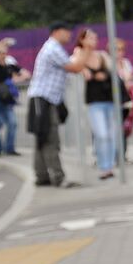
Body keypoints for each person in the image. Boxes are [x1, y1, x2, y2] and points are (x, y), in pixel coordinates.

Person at [28, 23, 89, 188]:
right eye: (66, 31)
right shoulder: (52, 48)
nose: (69, 34)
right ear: (57, 32)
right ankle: (58, 177)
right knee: (49, 139)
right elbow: (76, 67)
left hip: (45, 99)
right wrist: (86, 48)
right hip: (44, 99)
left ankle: (42, 176)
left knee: (42, 138)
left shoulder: (54, 48)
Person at [77, 28, 119, 180]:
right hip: (94, 102)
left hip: (108, 99)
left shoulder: (102, 55)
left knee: (110, 134)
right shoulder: (79, 55)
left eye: (94, 38)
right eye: (89, 38)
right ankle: (103, 165)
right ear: (82, 40)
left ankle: (109, 166)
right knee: (101, 134)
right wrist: (84, 53)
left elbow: (113, 72)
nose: (92, 41)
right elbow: (81, 70)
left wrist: (104, 74)